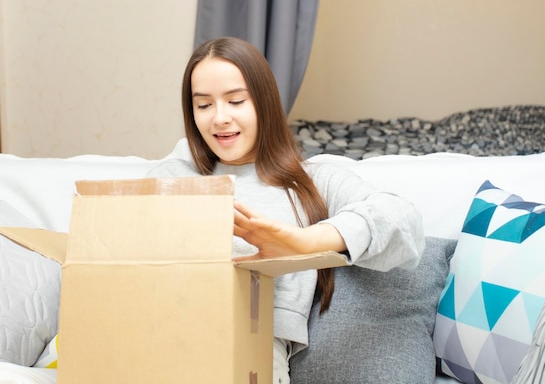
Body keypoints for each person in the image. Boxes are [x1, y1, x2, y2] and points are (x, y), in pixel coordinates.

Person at [147, 36, 424, 384]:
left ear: (264, 103)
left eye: (236, 101)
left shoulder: (311, 179)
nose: (219, 118)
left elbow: (403, 221)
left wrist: (304, 243)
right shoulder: (180, 170)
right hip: (152, 329)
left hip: (247, 349)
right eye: (203, 106)